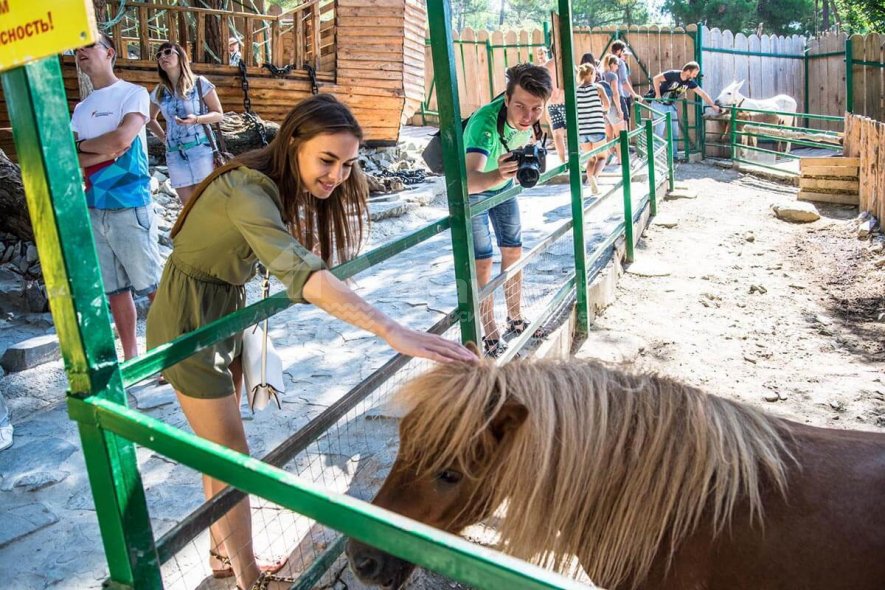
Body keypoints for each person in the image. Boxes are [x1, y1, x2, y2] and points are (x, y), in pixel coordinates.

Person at [145, 94, 476, 590]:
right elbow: (305, 274)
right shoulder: (247, 189)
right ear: (294, 141)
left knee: (221, 450)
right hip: (189, 320)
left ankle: (222, 552)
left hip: (227, 310)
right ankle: (248, 576)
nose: (337, 175)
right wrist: (393, 330)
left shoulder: (276, 183)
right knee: (232, 454)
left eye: (347, 164)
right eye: (328, 160)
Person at [71, 32, 162, 362]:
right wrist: (101, 150)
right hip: (94, 206)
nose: (80, 52)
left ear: (109, 52)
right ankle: (131, 358)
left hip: (129, 204)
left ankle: (167, 356)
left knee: (152, 287)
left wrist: (86, 149)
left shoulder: (133, 93)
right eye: (76, 48)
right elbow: (73, 159)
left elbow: (123, 140)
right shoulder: (81, 108)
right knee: (115, 292)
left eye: (88, 44)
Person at [462, 63, 552, 357]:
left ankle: (515, 318)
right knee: (483, 261)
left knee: (513, 251)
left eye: (536, 109)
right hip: (477, 192)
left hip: (502, 188)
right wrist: (497, 176)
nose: (528, 117)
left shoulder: (531, 121)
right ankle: (490, 332)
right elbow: (467, 181)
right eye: (520, 107)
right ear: (506, 99)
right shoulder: (484, 126)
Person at [147, 42, 225, 205]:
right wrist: (164, 138)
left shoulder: (199, 83)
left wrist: (197, 119)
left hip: (201, 150)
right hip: (174, 154)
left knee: (207, 203)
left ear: (180, 56)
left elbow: (218, 114)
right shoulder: (160, 91)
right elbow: (149, 118)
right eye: (159, 55)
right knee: (188, 207)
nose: (163, 57)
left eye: (168, 52)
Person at [645, 61, 721, 158]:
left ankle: (674, 155)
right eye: (693, 74)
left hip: (670, 105)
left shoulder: (689, 82)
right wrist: (658, 95)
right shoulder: (673, 74)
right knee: (660, 129)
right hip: (659, 104)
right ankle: (655, 156)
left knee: (675, 131)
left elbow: (702, 93)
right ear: (688, 71)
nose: (694, 76)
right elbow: (656, 78)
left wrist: (713, 105)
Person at [576, 63, 610, 195]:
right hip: (597, 128)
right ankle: (594, 179)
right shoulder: (597, 88)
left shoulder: (576, 90)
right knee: (602, 158)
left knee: (591, 159)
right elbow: (607, 105)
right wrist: (600, 109)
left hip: (582, 131)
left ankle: (590, 179)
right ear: (590, 74)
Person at [534, 46, 566, 163]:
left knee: (557, 134)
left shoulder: (545, 67)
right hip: (565, 101)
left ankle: (563, 161)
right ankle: (575, 161)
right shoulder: (566, 64)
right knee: (574, 132)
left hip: (551, 103)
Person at [600, 54, 626, 165]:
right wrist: (620, 110)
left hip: (603, 108)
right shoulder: (612, 76)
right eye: (617, 64)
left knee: (608, 136)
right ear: (612, 64)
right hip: (613, 108)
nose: (618, 67)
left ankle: (606, 159)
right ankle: (621, 160)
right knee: (620, 135)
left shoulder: (601, 74)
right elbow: (615, 94)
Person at [610, 41, 643, 128]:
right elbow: (624, 81)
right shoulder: (620, 63)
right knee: (623, 125)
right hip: (619, 96)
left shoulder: (606, 61)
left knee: (611, 127)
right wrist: (634, 95)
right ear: (618, 51)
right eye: (623, 51)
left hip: (608, 98)